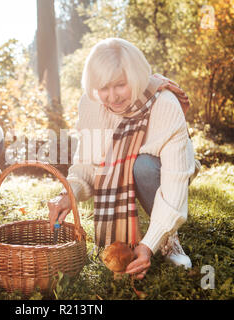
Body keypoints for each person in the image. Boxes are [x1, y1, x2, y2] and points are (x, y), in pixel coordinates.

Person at [48, 38, 199, 280]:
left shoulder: (165, 105)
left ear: (136, 77)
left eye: (120, 85)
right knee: (126, 165)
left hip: (159, 169)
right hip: (118, 170)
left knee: (143, 166)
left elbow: (174, 186)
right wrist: (69, 195)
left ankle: (168, 240)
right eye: (103, 88)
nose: (112, 97)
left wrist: (148, 244)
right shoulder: (90, 104)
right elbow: (87, 165)